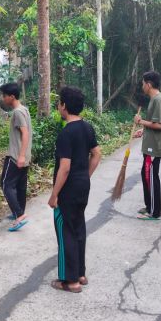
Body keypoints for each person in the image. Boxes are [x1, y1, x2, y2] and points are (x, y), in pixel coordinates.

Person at [48, 87, 101, 293]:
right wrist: (85, 175)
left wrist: (54, 194)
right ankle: (79, 273)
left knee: (66, 231)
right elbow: (96, 154)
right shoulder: (87, 128)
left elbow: (65, 167)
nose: (59, 106)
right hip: (82, 186)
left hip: (67, 190)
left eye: (60, 103)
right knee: (78, 227)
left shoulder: (66, 133)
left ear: (64, 106)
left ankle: (70, 281)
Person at [134, 71, 161, 221]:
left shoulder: (158, 100)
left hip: (154, 147)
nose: (142, 86)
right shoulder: (154, 99)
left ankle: (155, 213)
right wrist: (144, 130)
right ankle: (149, 206)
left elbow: (159, 125)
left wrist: (140, 121)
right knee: (146, 175)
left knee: (151, 177)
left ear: (148, 84)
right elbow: (154, 123)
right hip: (150, 145)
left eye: (143, 83)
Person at [0, 82, 33, 231]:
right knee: (20, 185)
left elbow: (25, 133)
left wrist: (20, 156)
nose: (3, 98)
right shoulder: (23, 109)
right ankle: (19, 211)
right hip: (24, 155)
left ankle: (19, 215)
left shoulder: (18, 112)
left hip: (16, 156)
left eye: (4, 96)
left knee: (6, 184)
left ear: (12, 97)